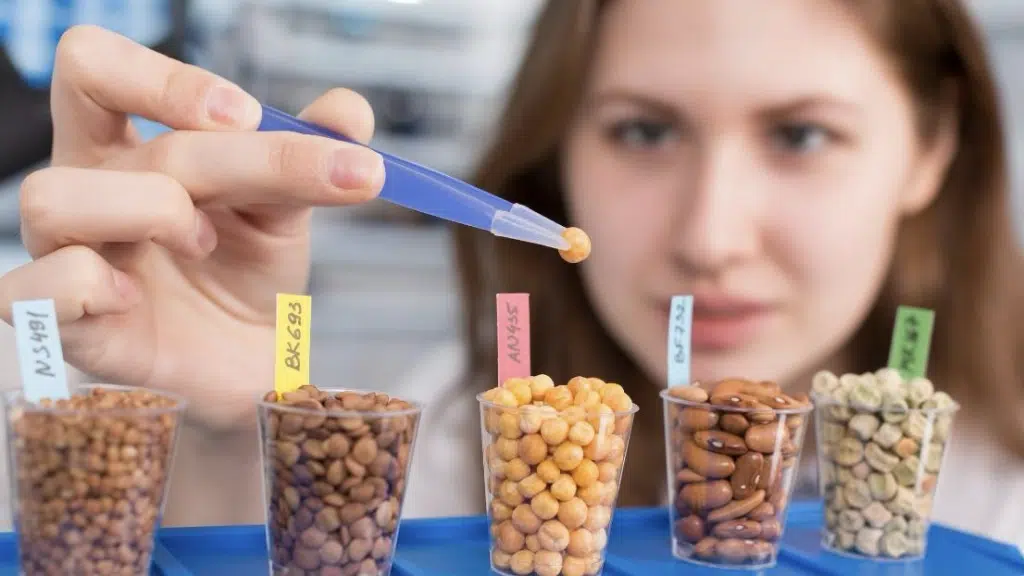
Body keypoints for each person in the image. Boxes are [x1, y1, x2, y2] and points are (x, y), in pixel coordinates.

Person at [0, 0, 1022, 550]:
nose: (710, 237)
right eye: (642, 129)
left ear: (932, 147)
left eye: (801, 135)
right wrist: (231, 449)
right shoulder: (449, 455)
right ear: (555, 153)